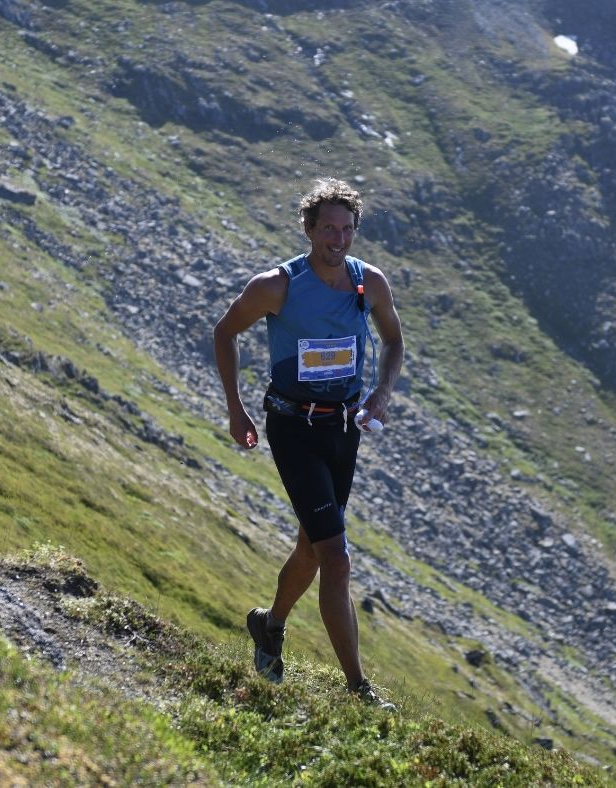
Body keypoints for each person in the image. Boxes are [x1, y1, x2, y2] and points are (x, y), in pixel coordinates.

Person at [213, 177, 404, 706]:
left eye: (347, 229)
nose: (338, 240)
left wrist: (382, 392)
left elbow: (394, 341)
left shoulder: (369, 283)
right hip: (293, 428)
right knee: (336, 558)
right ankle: (359, 690)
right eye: (328, 229)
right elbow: (225, 332)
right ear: (309, 229)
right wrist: (235, 408)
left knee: (312, 547)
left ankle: (269, 624)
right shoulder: (277, 285)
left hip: (342, 431)